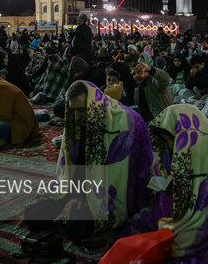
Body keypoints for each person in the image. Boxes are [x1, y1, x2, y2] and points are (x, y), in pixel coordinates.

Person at [123, 104, 208, 264]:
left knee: (175, 239)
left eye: (169, 138)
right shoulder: (187, 141)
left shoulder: (204, 143)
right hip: (195, 200)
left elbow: (205, 186)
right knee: (148, 217)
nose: (169, 144)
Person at [26, 80, 153, 238]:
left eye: (82, 110)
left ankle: (72, 218)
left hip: (108, 196)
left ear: (94, 104)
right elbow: (71, 168)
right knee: (33, 215)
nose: (77, 116)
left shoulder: (126, 122)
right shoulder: (75, 122)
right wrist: (72, 197)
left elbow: (121, 178)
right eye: (73, 110)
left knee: (76, 227)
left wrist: (88, 199)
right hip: (77, 189)